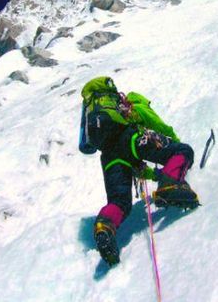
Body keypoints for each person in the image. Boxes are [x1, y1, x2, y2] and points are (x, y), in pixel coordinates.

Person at [78, 76, 199, 265]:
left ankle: (105, 225)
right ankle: (172, 185)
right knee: (183, 151)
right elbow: (157, 125)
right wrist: (174, 143)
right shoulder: (135, 106)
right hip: (130, 138)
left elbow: (138, 169)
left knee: (119, 202)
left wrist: (156, 175)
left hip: (109, 156)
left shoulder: (101, 115)